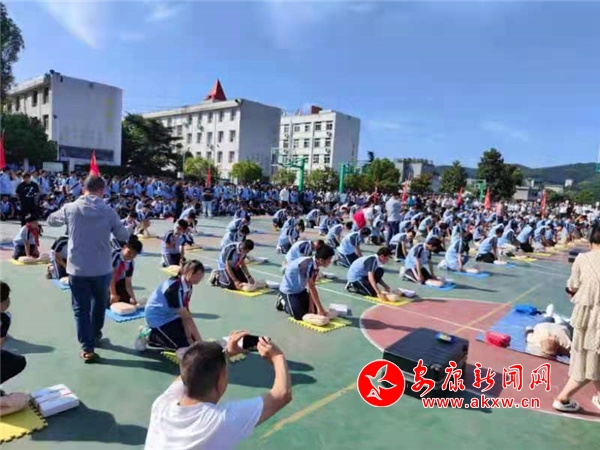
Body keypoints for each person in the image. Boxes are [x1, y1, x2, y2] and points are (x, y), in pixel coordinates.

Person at [144, 331, 292, 450]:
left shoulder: (162, 404)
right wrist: (277, 357)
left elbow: (188, 371)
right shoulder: (220, 420)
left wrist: (226, 353)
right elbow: (282, 394)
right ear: (221, 380)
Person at [48, 175, 130, 362]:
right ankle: (96, 334)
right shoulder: (109, 211)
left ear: (83, 188)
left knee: (81, 309)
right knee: (99, 304)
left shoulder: (70, 208)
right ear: (102, 190)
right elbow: (123, 235)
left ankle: (87, 347)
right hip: (102, 269)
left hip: (78, 269)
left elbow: (51, 220)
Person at [553, 225, 600, 413]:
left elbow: (572, 286)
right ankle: (563, 398)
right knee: (591, 361)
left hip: (585, 317)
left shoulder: (582, 258)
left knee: (591, 358)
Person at [137, 260, 205, 351]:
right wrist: (201, 344)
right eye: (196, 274)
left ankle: (160, 334)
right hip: (158, 318)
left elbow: (186, 315)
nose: (199, 277)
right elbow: (186, 318)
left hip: (171, 315)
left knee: (191, 341)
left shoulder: (189, 286)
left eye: (201, 274)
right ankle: (149, 335)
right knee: (180, 346)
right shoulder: (174, 288)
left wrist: (190, 338)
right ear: (186, 272)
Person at [276, 245, 334, 322]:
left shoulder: (315, 266)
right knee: (299, 316)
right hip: (289, 291)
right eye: (329, 259)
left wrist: (311, 307)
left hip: (300, 290)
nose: (330, 262)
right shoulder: (307, 265)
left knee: (313, 311)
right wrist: (320, 309)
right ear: (321, 260)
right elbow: (312, 287)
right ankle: (283, 302)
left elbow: (311, 289)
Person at [0, 282, 29, 416]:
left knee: (17, 361)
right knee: (22, 401)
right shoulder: (4, 319)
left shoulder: (4, 319)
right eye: (7, 299)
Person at [110, 236, 143, 306]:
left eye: (134, 254)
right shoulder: (114, 255)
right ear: (124, 247)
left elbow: (128, 283)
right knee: (109, 302)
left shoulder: (131, 263)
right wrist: (113, 294)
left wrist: (134, 299)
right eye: (129, 252)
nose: (131, 256)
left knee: (127, 301)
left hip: (119, 280)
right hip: (105, 280)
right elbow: (110, 277)